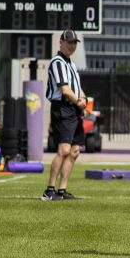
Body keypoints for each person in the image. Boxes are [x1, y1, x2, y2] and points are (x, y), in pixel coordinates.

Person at [42, 30, 87, 201]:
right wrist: (79, 101)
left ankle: (62, 190)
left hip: (73, 107)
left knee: (74, 151)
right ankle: (49, 190)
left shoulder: (71, 64)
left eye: (74, 42)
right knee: (64, 149)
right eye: (69, 42)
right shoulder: (57, 62)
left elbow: (77, 88)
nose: (72, 45)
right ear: (60, 42)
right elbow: (65, 90)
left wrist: (83, 98)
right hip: (63, 107)